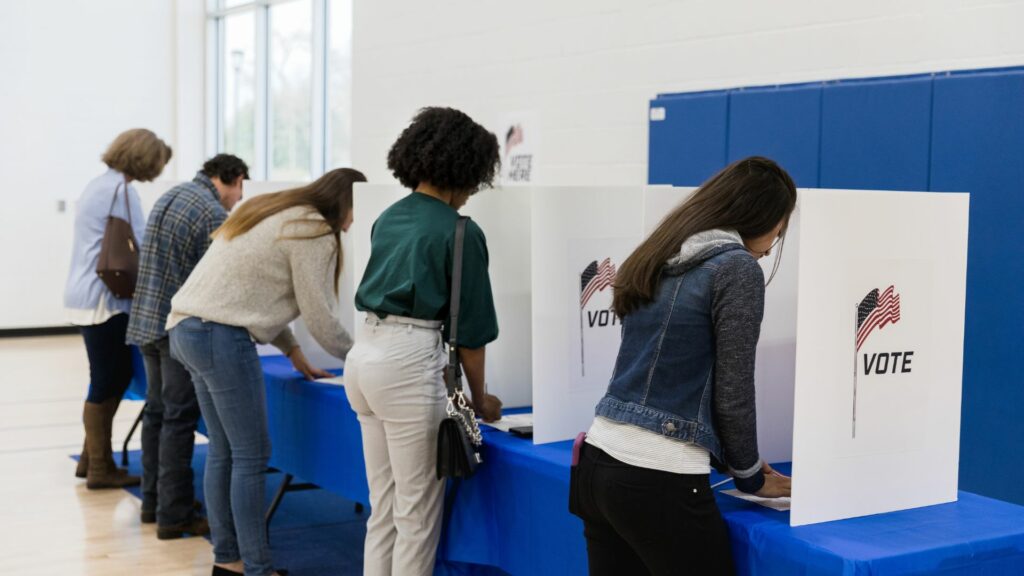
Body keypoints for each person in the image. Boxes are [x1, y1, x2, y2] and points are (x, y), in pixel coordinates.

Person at [570, 157, 797, 576]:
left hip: (597, 463)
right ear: (761, 215)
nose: (777, 239)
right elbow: (733, 393)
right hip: (658, 479)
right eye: (781, 225)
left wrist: (733, 463)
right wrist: (749, 475)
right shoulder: (737, 268)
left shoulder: (659, 253)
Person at [167, 167, 364, 576]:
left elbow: (249, 287)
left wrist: (291, 350)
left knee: (224, 452)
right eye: (356, 210)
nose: (354, 222)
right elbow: (320, 316)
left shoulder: (275, 210)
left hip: (186, 327)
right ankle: (257, 568)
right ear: (346, 202)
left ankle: (228, 561)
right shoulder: (313, 230)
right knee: (252, 455)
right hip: (219, 336)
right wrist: (365, 358)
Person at [345, 107, 504, 576]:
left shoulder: (389, 218)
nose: (475, 190)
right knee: (417, 516)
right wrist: (480, 399)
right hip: (408, 363)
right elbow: (472, 337)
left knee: (384, 508)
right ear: (464, 169)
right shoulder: (461, 231)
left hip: (364, 357)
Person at [126, 154, 249, 539]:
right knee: (178, 420)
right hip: (176, 327)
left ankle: (152, 503)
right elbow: (216, 283)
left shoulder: (172, 194)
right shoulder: (212, 214)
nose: (240, 197)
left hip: (146, 319)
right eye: (241, 186)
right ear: (228, 179)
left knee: (157, 414)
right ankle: (173, 516)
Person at [65, 128, 172, 489]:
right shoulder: (122, 191)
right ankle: (99, 468)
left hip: (85, 294)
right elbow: (143, 242)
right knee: (107, 379)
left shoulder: (99, 185)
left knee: (108, 377)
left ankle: (91, 459)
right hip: (105, 301)